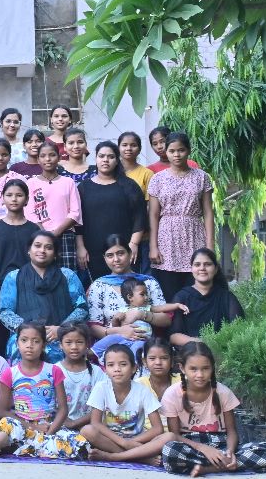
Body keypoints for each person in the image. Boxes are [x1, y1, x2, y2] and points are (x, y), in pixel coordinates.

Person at [159, 341, 266, 476]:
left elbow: (232, 432)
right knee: (170, 451)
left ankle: (210, 467)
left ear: (212, 367)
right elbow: (175, 436)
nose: (200, 374)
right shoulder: (172, 394)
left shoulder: (223, 392)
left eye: (205, 368)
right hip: (191, 447)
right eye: (193, 369)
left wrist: (230, 452)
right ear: (182, 368)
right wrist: (203, 448)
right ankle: (226, 465)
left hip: (222, 445)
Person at [0, 322, 88, 459]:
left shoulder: (54, 371)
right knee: (6, 424)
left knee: (77, 441)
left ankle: (32, 447)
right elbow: (3, 411)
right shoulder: (9, 373)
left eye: (36, 341)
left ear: (44, 345)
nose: (29, 345)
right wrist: (33, 428)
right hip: (22, 426)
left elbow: (63, 409)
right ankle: (40, 447)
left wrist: (49, 433)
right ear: (17, 343)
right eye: (24, 340)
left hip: (49, 426)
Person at [0, 231, 88, 363]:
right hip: (26, 338)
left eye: (48, 247)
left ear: (55, 253)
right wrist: (29, 331)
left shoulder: (68, 276)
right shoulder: (14, 277)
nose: (42, 250)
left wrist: (62, 329)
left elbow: (82, 308)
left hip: (62, 337)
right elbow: (5, 312)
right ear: (29, 250)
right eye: (37, 245)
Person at [148, 132, 215, 301]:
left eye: (181, 150)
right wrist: (153, 246)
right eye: (172, 151)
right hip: (167, 237)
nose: (176, 155)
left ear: (189, 150)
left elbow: (208, 212)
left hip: (194, 234)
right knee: (169, 290)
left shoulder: (202, 177)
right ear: (166, 152)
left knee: (197, 288)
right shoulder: (157, 179)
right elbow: (153, 214)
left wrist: (210, 245)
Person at [82, 343, 173, 463]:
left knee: (169, 437)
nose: (117, 369)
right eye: (111, 365)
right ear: (105, 370)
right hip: (110, 439)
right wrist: (123, 442)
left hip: (137, 441)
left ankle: (113, 456)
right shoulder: (101, 388)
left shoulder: (142, 390)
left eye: (123, 364)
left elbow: (157, 428)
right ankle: (141, 458)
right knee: (87, 430)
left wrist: (131, 442)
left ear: (134, 368)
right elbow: (95, 423)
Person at [86, 235, 171, 359]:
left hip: (146, 347)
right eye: (110, 255)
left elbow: (166, 319)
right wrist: (119, 331)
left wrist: (141, 314)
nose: (116, 259)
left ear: (130, 253)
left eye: (121, 253)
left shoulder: (149, 282)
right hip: (111, 349)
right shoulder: (99, 286)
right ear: (104, 258)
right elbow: (93, 327)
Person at [75, 142, 147, 280]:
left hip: (124, 250)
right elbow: (78, 221)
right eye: (101, 156)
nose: (105, 160)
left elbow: (140, 216)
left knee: (128, 287)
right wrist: (80, 247)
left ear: (117, 160)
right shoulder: (84, 187)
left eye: (111, 157)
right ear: (96, 159)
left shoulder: (129, 186)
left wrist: (133, 244)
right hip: (92, 250)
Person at [25, 142, 82, 276]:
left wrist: (55, 233)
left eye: (52, 155)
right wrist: (44, 234)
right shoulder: (31, 183)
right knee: (42, 275)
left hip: (65, 235)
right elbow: (30, 213)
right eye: (43, 156)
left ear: (59, 157)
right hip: (39, 236)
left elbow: (75, 212)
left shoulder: (68, 182)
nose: (48, 159)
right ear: (38, 159)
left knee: (66, 276)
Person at [169, 247, 246, 346]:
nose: (202, 268)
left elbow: (239, 331)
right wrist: (202, 343)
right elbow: (174, 336)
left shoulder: (227, 298)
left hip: (220, 350)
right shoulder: (181, 297)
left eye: (207, 264)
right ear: (191, 269)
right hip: (190, 352)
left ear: (216, 269)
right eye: (197, 264)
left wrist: (216, 345)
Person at [0, 179, 40, 292]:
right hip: (3, 287)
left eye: (19, 195)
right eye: (9, 195)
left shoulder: (34, 229)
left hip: (31, 287)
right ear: (2, 198)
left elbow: (40, 261)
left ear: (27, 199)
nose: (14, 199)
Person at [54, 322, 107, 432]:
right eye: (68, 342)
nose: (74, 347)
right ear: (60, 345)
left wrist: (75, 423)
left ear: (87, 344)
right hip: (59, 426)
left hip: (89, 427)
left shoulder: (97, 372)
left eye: (79, 342)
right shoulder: (54, 370)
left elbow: (103, 405)